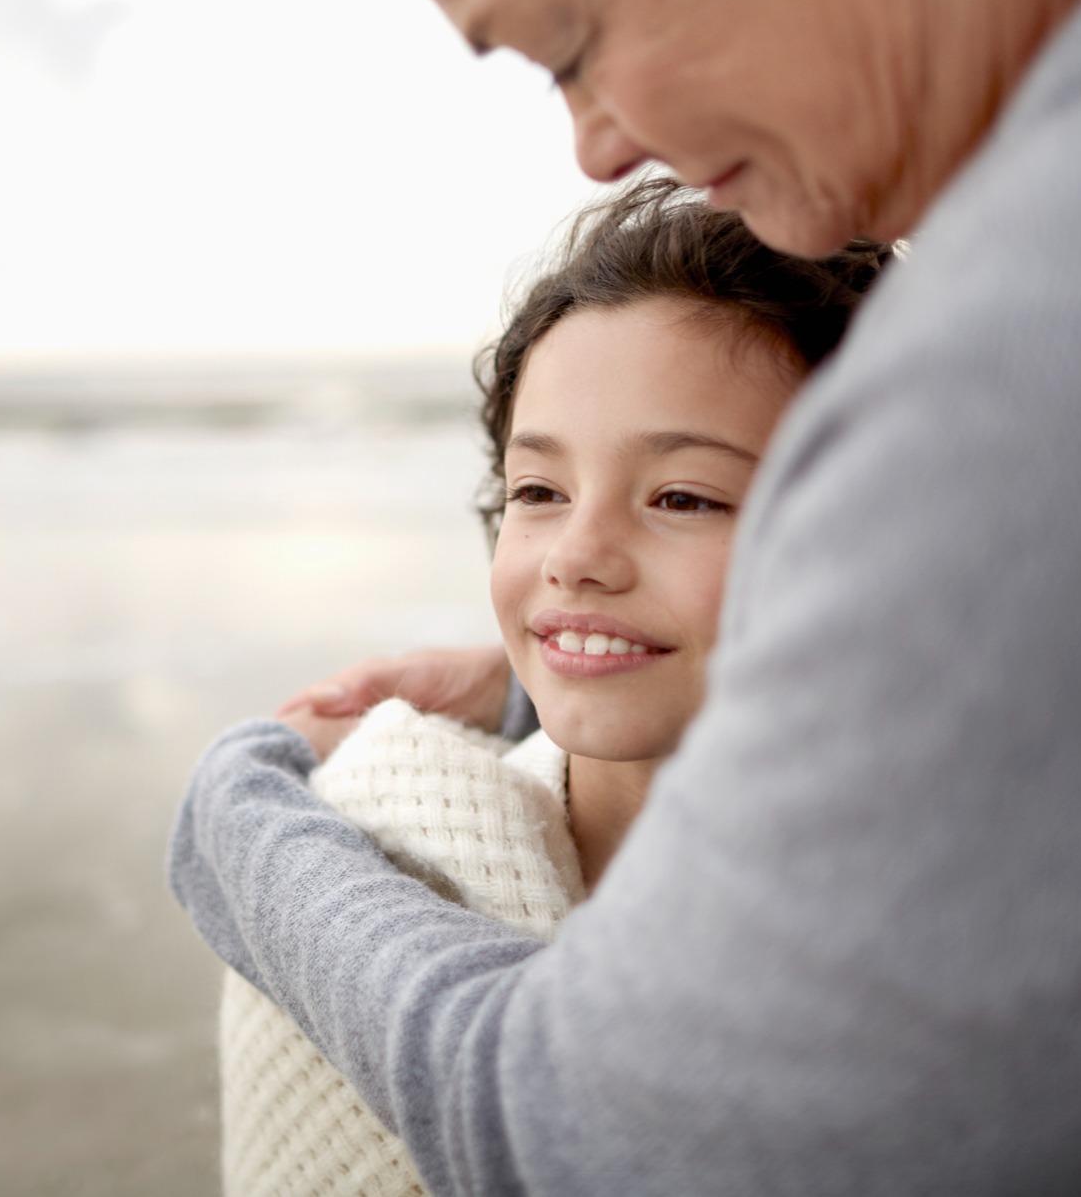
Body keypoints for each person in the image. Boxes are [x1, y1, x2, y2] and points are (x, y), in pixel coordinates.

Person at [170, 0, 1081, 1192]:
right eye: (532, 489)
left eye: (572, 40)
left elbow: (598, 1135)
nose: (595, 140)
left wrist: (240, 816)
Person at [218, 178, 888, 1195]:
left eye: (682, 496)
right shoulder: (387, 836)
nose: (574, 556)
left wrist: (231, 794)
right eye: (537, 490)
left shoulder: (955, 931)